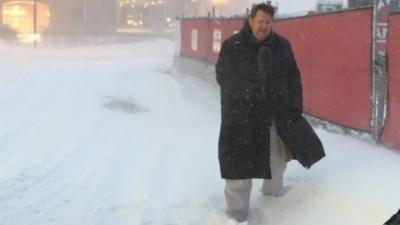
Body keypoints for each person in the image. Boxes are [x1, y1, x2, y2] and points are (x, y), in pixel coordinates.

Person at [216, 3, 325, 222]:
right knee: (239, 170)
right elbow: (223, 77)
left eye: (268, 22)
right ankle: (236, 215)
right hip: (242, 119)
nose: (264, 26)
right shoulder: (233, 45)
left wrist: (295, 106)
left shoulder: (282, 45)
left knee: (276, 162)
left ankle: (273, 202)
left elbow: (293, 78)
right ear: (250, 20)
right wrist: (250, 91)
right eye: (260, 21)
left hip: (275, 116)